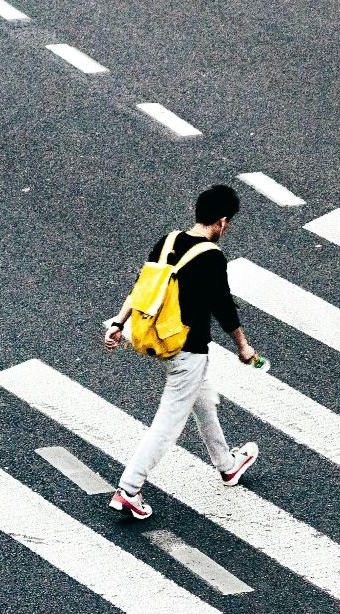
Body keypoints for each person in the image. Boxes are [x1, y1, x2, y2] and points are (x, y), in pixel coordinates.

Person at [101, 184, 261, 519]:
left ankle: (227, 465)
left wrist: (119, 323)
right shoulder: (212, 257)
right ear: (220, 221)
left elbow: (142, 289)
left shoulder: (169, 240)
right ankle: (129, 489)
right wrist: (243, 346)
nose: (225, 228)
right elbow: (224, 308)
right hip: (186, 350)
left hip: (159, 339)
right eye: (226, 223)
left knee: (203, 402)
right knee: (168, 424)